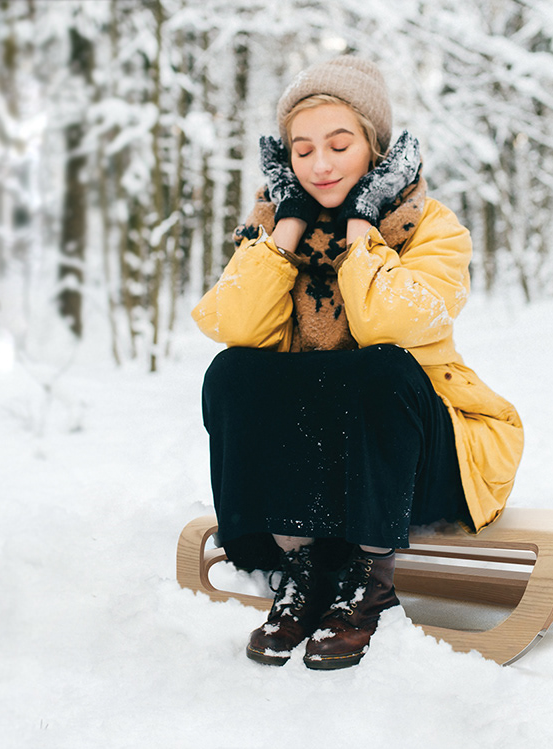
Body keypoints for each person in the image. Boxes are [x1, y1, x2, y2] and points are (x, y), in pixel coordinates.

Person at [192, 55, 524, 670]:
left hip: (422, 464)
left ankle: (369, 581)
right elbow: (231, 325)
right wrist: (285, 231)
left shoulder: (431, 226)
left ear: (373, 148)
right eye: (303, 149)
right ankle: (303, 570)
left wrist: (362, 227)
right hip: (323, 468)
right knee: (233, 372)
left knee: (381, 367)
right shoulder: (269, 229)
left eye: (339, 146)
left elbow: (388, 325)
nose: (320, 164)